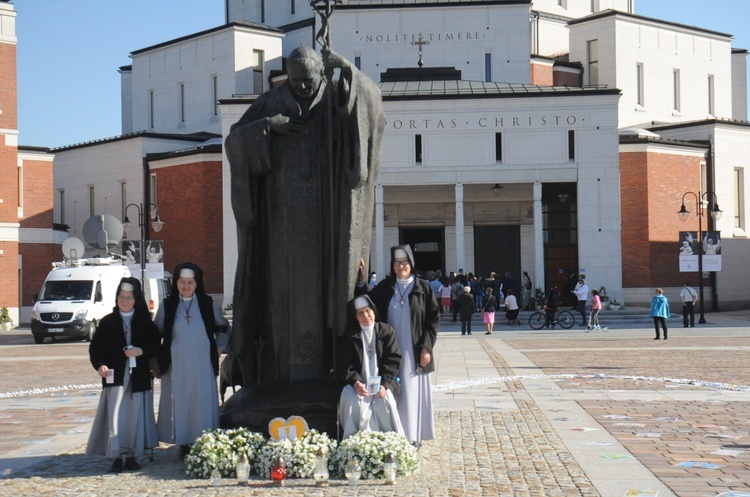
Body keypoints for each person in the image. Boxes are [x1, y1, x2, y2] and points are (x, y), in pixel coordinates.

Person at [224, 45, 385, 386]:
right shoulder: (270, 102)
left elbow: (371, 104)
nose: (303, 87)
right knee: (280, 291)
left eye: (309, 81)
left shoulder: (334, 97)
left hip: (327, 220)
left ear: (320, 74)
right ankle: (280, 373)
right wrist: (268, 127)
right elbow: (234, 141)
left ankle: (332, 370)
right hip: (280, 220)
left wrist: (348, 71)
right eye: (296, 81)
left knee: (329, 290)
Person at [358, 244, 439, 446]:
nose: (401, 266)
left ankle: (412, 435)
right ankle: (392, 433)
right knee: (390, 389)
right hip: (389, 348)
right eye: (397, 263)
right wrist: (362, 280)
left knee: (411, 392)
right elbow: (365, 302)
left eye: (404, 263)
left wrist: (427, 347)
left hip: (414, 348)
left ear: (411, 263)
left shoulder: (423, 287)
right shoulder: (385, 287)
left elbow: (433, 319)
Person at [154, 262, 231, 458]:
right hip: (176, 366)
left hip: (202, 364)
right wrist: (155, 361)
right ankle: (184, 442)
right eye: (182, 282)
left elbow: (222, 326)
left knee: (201, 402)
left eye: (190, 282)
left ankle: (203, 439)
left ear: (197, 284)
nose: (186, 286)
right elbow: (156, 334)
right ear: (176, 283)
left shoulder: (207, 304)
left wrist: (220, 347)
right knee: (181, 403)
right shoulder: (168, 305)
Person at [86, 277, 159, 472]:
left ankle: (134, 455)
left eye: (129, 297)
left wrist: (140, 351)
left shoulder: (145, 321)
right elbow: (96, 349)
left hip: (138, 378)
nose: (124, 301)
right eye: (121, 297)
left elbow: (155, 347)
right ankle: (116, 455)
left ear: (136, 300)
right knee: (116, 416)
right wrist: (100, 365)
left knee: (135, 416)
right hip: (115, 377)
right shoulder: (108, 322)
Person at [337, 295, 404, 439]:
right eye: (360, 313)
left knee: (385, 402)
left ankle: (389, 440)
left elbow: (393, 359)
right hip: (357, 382)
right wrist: (356, 383)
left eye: (367, 311)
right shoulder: (350, 335)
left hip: (382, 382)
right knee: (352, 401)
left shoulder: (386, 331)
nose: (365, 316)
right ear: (355, 316)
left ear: (373, 311)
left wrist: (384, 384)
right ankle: (353, 441)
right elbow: (344, 364)